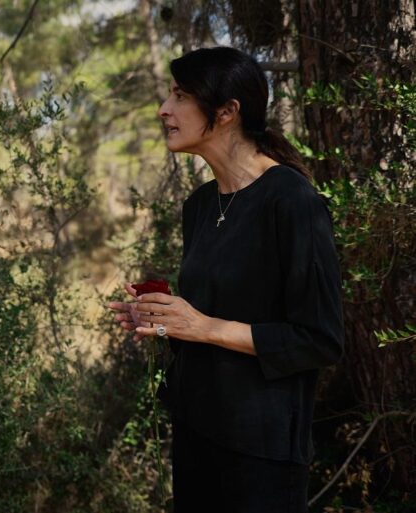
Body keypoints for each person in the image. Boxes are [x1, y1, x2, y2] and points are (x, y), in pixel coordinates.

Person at [109, 47, 344, 512]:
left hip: (262, 454)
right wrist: (162, 321)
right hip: (196, 437)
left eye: (180, 96)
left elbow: (320, 339)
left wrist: (204, 327)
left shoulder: (292, 201)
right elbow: (206, 319)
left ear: (226, 112)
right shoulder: (199, 205)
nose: (164, 109)